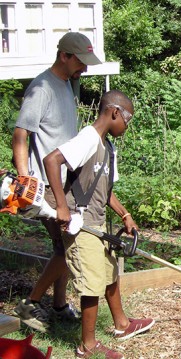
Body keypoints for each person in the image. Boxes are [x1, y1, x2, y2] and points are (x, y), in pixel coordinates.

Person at [44, 90, 154, 359]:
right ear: (115, 112)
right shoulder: (88, 138)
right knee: (92, 283)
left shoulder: (107, 147)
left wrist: (125, 215)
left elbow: (104, 191)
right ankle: (87, 346)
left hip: (97, 222)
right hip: (80, 225)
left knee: (108, 273)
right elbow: (52, 160)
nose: (127, 126)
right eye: (127, 119)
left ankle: (122, 325)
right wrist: (61, 205)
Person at [12, 32, 102, 332]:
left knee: (63, 248)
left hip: (65, 180)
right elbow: (21, 136)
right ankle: (29, 306)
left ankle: (60, 305)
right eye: (80, 62)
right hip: (48, 185)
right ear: (64, 55)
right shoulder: (42, 89)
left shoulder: (67, 84)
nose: (85, 69)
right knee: (68, 248)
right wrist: (27, 182)